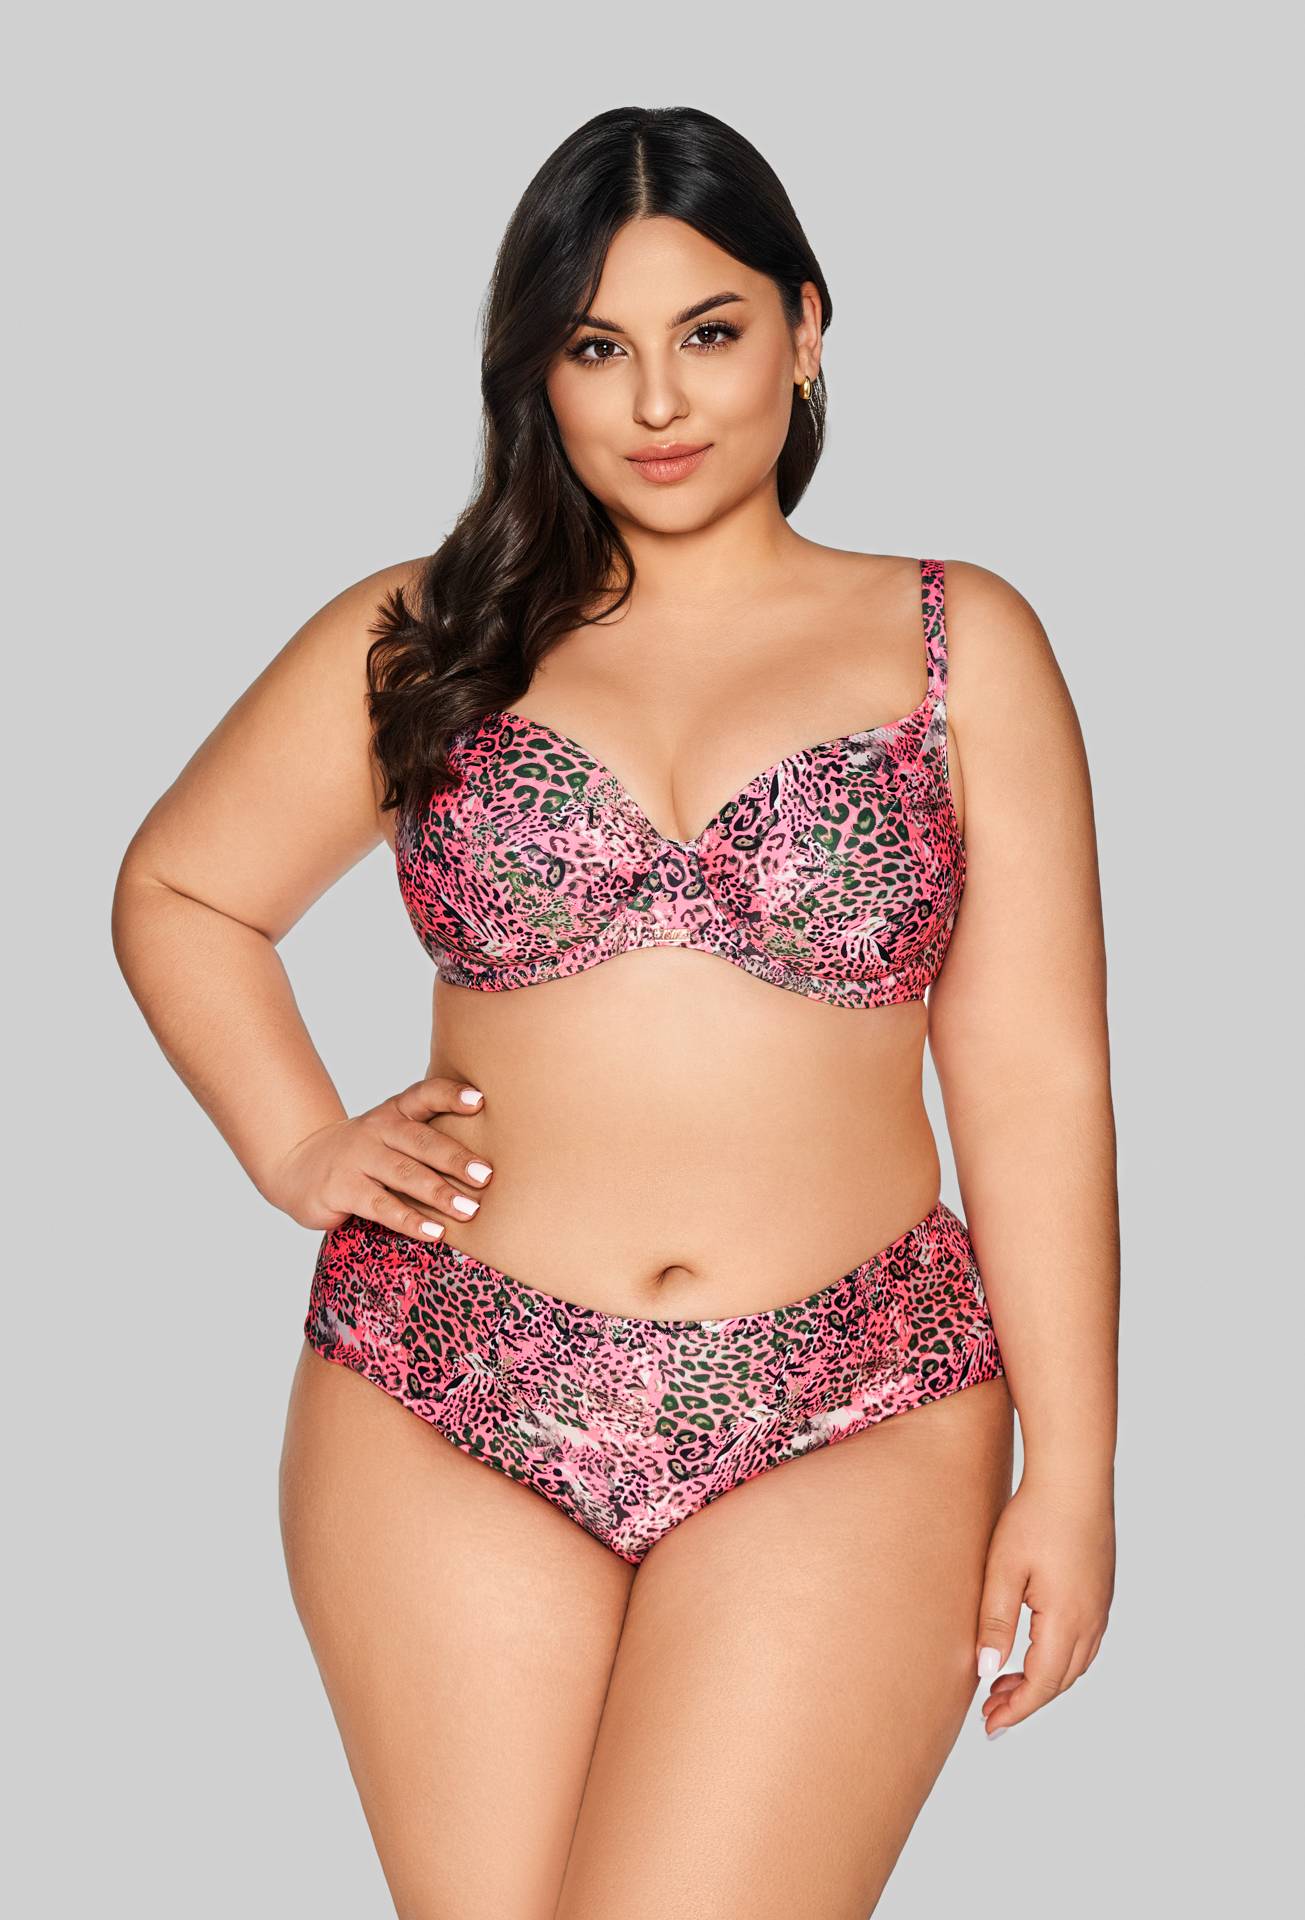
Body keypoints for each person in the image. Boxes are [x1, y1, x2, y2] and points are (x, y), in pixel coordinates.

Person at [112, 104, 1119, 1920]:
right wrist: (295, 1140)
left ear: (805, 329)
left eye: (707, 333)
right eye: (595, 348)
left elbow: (1036, 1084)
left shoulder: (957, 643)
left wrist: (1078, 1475)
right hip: (442, 1393)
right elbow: (183, 892)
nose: (657, 401)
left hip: (851, 1403)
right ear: (536, 373)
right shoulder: (431, 632)